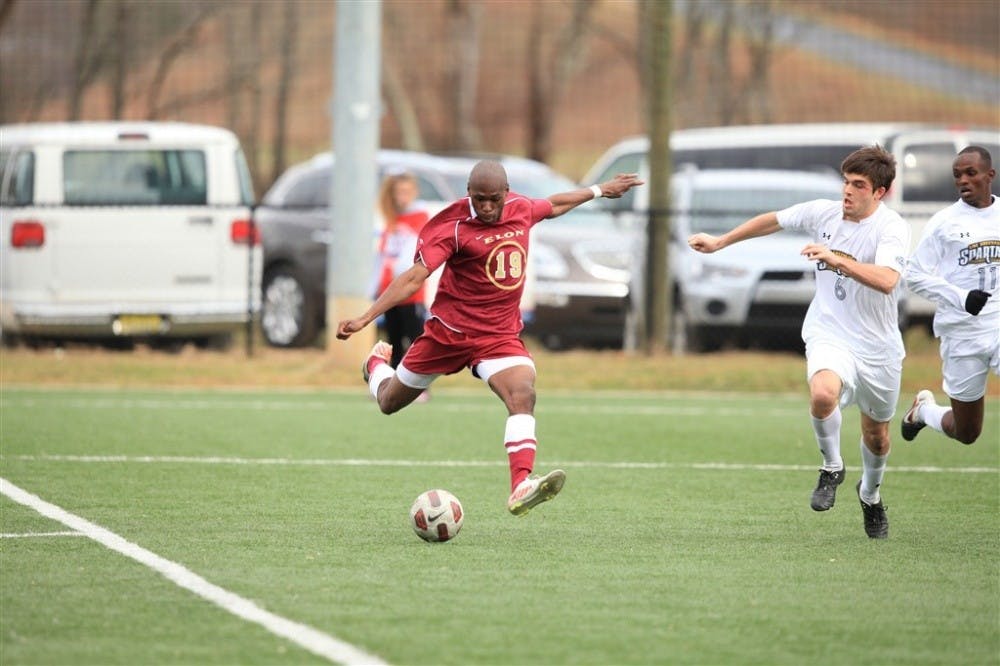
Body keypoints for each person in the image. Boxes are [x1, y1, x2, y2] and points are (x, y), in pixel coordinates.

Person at [337, 160, 643, 516]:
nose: (486, 207)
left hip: (498, 336)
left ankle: (520, 486)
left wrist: (600, 190)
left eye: (493, 199)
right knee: (389, 402)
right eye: (479, 199)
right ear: (468, 193)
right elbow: (414, 277)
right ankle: (375, 366)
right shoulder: (451, 226)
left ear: (506, 194)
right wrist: (365, 317)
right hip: (448, 334)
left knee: (522, 394)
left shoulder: (520, 209)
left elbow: (555, 204)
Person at [688, 145, 910, 539]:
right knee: (823, 394)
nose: (847, 191)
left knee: (877, 436)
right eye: (845, 182)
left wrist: (837, 259)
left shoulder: (891, 228)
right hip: (829, 332)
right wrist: (721, 242)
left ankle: (871, 496)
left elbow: (888, 280)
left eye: (858, 185)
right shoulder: (824, 212)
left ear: (879, 193)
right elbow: (773, 220)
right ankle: (832, 467)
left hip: (878, 347)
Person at [901, 146, 999, 445]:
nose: (963, 180)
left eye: (971, 173)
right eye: (958, 175)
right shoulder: (944, 223)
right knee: (966, 431)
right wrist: (960, 296)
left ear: (990, 175)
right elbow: (914, 275)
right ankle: (923, 411)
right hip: (961, 333)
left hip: (997, 326)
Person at [372, 171, 430, 373]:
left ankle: (418, 385)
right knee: (393, 342)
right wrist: (375, 286)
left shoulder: (421, 217)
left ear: (414, 192)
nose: (402, 197)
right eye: (398, 192)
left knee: (415, 341)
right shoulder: (390, 219)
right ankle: (392, 383)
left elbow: (415, 254)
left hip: (411, 292)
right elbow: (383, 255)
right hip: (389, 292)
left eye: (407, 192)